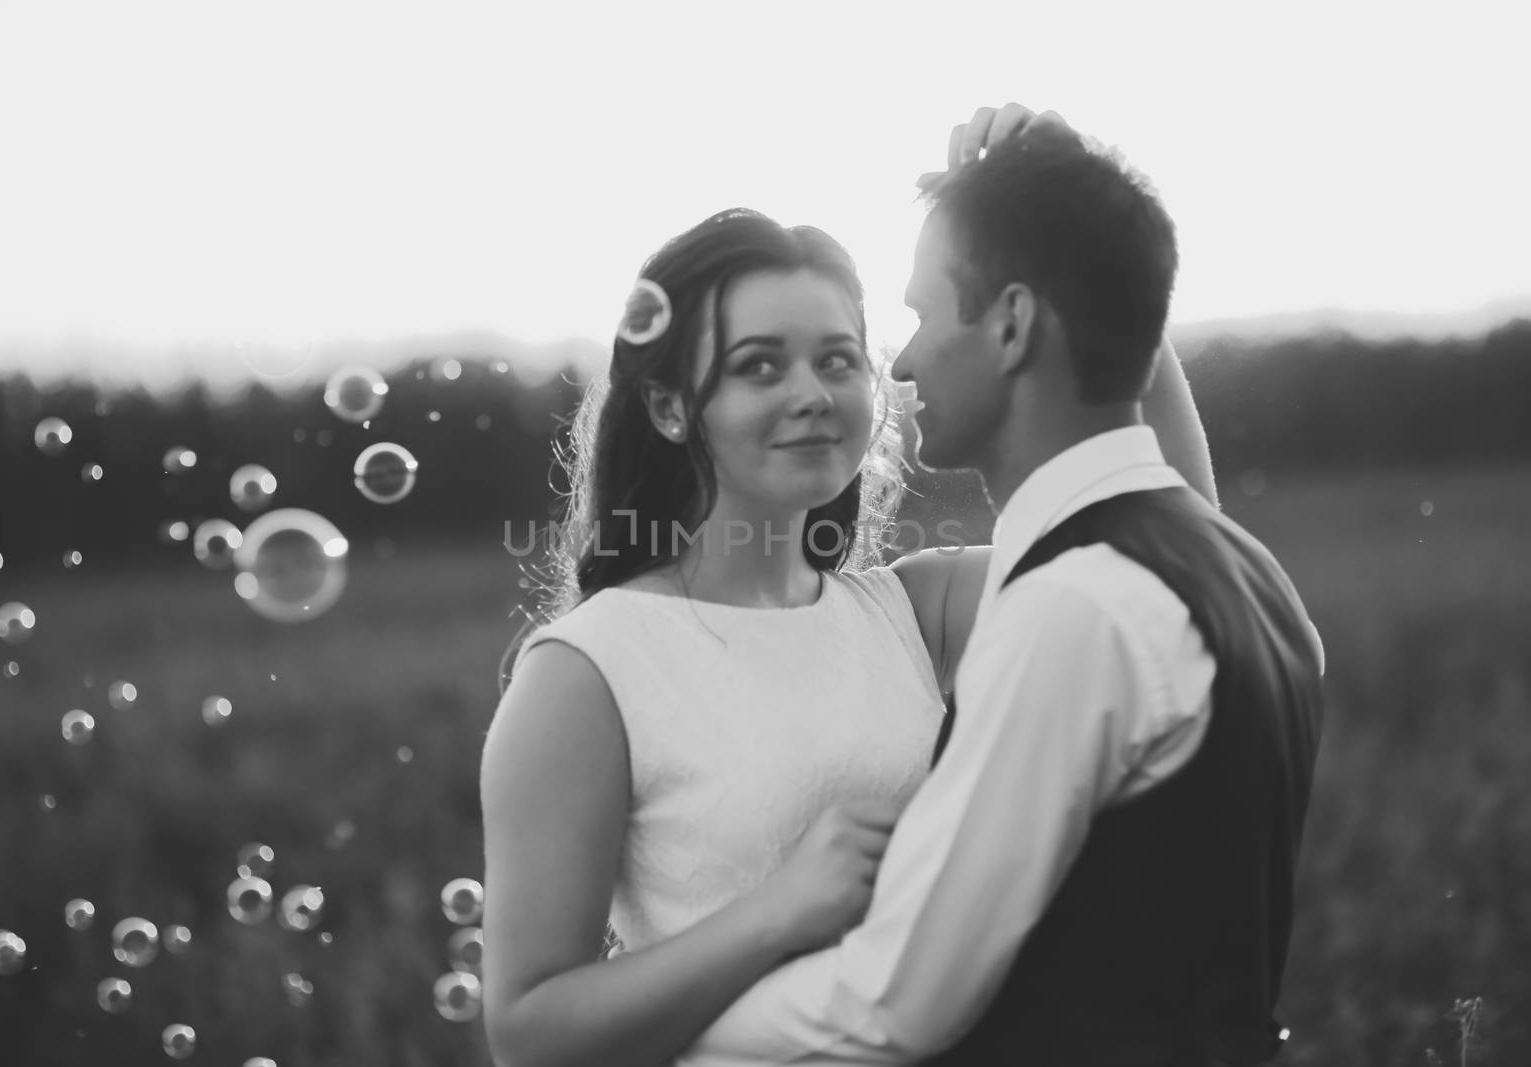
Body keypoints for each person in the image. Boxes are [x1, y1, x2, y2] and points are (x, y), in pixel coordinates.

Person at [479, 111, 1219, 1067]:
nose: (812, 393)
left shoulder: (920, 612)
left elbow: (1170, 563)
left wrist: (1088, 277)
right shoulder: (587, 672)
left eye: (837, 359)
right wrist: (777, 914)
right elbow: (530, 1031)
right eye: (759, 366)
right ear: (669, 407)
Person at [677, 105, 1326, 1067]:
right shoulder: (1244, 574)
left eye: (923, 316)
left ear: (1014, 324)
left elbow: (895, 1000)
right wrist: (1086, 239)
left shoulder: (1076, 608)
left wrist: (665, 1036)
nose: (900, 360)